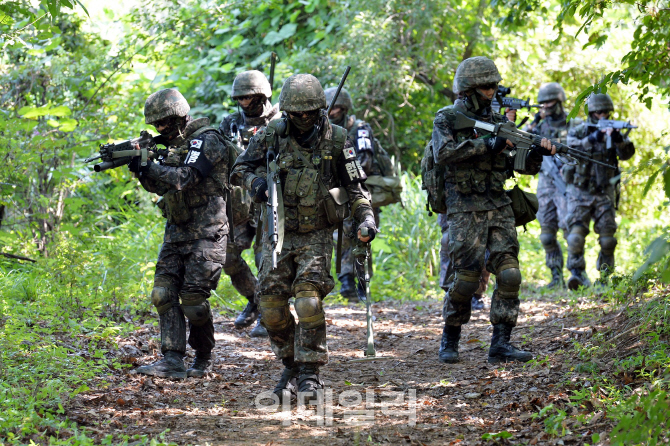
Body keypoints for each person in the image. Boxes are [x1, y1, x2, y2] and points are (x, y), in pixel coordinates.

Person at [231, 74, 377, 400]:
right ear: (286, 112)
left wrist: (365, 218)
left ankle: (311, 371)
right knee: (269, 306)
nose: (303, 119)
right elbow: (240, 168)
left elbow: (355, 189)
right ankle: (291, 363)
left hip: (317, 234)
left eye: (309, 112)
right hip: (277, 232)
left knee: (308, 299)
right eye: (296, 114)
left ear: (320, 109)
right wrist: (256, 184)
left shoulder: (338, 139)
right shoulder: (272, 135)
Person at [432, 56, 556, 364]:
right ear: (470, 88)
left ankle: (501, 342)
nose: (493, 90)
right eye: (487, 86)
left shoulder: (503, 122)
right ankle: (451, 336)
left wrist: (536, 152)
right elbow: (443, 154)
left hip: (499, 204)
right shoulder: (446, 118)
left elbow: (521, 167)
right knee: (466, 279)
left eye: (494, 85)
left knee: (510, 273)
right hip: (463, 206)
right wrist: (488, 145)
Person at [131, 88, 235, 378]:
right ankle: (172, 360)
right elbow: (161, 186)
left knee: (193, 302)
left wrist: (150, 166)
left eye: (164, 122)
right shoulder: (173, 149)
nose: (160, 129)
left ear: (179, 116)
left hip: (207, 233)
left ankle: (203, 356)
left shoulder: (207, 140)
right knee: (162, 293)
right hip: (176, 232)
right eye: (157, 125)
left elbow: (184, 179)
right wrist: (140, 168)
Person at [219, 70, 281, 337]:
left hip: (270, 199)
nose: (245, 102)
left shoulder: (280, 121)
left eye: (250, 97)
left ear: (263, 95)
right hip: (238, 203)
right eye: (240, 98)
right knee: (227, 257)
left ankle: (269, 314)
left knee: (265, 258)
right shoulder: (230, 123)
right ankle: (256, 300)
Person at [564, 93, 635, 290]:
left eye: (606, 112)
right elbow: (570, 149)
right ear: (591, 113)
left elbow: (627, 154)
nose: (602, 115)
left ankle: (605, 277)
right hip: (580, 191)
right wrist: (593, 138)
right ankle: (577, 274)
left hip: (604, 192)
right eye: (598, 112)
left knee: (608, 239)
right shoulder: (580, 131)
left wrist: (619, 139)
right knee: (575, 236)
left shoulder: (614, 130)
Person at [324, 87, 388, 301]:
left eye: (336, 108)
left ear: (344, 108)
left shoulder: (359, 129)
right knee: (340, 237)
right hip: (336, 194)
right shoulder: (324, 130)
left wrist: (347, 176)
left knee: (363, 236)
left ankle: (363, 285)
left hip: (360, 191)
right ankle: (346, 282)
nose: (332, 112)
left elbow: (366, 161)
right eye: (330, 108)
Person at [529, 82, 570, 289]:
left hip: (567, 182)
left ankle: (577, 275)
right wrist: (535, 121)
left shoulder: (573, 123)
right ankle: (556, 276)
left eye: (550, 101)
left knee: (570, 230)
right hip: (545, 182)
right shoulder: (538, 126)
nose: (545, 106)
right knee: (546, 233)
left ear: (559, 101)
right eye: (542, 103)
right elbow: (523, 141)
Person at [438, 214, 490, 311]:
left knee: (483, 245)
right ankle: (450, 291)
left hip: (480, 210)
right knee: (449, 240)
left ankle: (476, 295)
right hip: (452, 212)